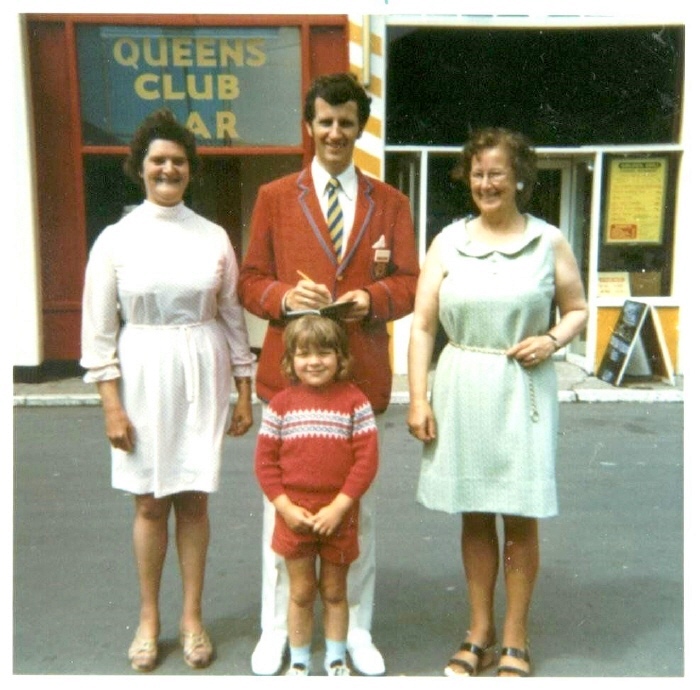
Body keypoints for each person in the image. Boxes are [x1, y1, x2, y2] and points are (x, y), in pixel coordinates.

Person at [238, 72, 419, 676]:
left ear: (359, 126)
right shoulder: (273, 196)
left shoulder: (389, 202)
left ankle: (358, 628)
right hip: (292, 379)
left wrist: (372, 299)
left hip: (359, 379)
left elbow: (410, 282)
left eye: (346, 122)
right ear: (309, 127)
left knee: (355, 512)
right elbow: (249, 279)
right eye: (325, 121)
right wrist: (287, 297)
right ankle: (277, 632)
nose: (335, 132)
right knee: (282, 510)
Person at [407, 127, 588, 677]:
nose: (486, 183)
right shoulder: (447, 241)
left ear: (519, 179)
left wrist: (552, 339)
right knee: (476, 513)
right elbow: (420, 327)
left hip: (522, 386)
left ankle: (515, 635)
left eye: (497, 173)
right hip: (463, 381)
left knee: (522, 515)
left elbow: (577, 308)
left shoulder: (548, 240)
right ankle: (479, 628)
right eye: (477, 173)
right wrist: (418, 398)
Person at [80, 108, 256, 672]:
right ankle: (150, 617)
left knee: (194, 499)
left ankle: (192, 617)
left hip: (202, 372)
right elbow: (99, 331)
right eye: (158, 160)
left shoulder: (213, 236)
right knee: (151, 501)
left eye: (178, 160)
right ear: (140, 167)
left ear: (190, 169)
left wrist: (245, 388)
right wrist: (110, 403)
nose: (168, 169)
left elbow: (231, 317)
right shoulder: (115, 240)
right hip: (142, 372)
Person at [254, 315, 379, 676]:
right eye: (303, 353)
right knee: (301, 592)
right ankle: (299, 659)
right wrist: (285, 507)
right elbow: (265, 464)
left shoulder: (355, 403)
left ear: (341, 357)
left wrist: (340, 506)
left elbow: (366, 461)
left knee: (335, 591)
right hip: (295, 516)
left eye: (325, 352)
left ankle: (336, 658)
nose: (314, 361)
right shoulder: (280, 405)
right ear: (289, 360)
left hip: (337, 516)